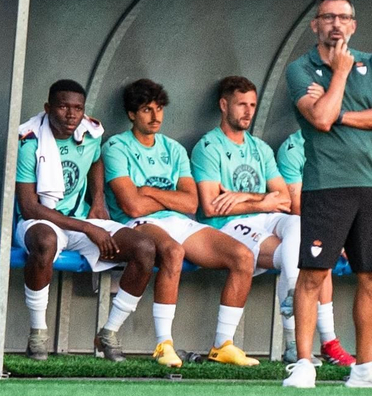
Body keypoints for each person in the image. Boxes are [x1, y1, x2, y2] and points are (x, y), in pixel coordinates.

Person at [281, 0, 372, 390]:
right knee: (314, 273)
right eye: (328, 17)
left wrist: (339, 111)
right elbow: (319, 120)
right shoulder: (299, 69)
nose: (336, 23)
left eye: (344, 17)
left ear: (353, 25)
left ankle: (365, 366)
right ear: (315, 25)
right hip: (326, 185)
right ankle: (305, 362)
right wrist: (339, 73)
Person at [105, 79, 259, 367]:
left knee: (242, 256)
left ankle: (222, 345)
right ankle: (164, 344)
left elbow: (191, 203)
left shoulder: (173, 149)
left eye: (159, 109)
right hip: (138, 223)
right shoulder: (116, 146)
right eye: (146, 110)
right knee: (173, 252)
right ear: (131, 114)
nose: (155, 117)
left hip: (178, 221)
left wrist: (149, 191)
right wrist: (166, 197)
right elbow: (132, 206)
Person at [14, 78, 159, 361]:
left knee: (145, 248)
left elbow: (96, 160)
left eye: (77, 108)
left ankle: (109, 333)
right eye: (63, 107)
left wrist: (99, 202)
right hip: (39, 221)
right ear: (48, 108)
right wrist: (87, 227)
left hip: (79, 221)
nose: (71, 115)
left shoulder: (90, 133)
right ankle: (38, 334)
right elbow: (29, 207)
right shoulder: (30, 140)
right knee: (45, 241)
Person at [189, 75, 314, 367]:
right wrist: (263, 198)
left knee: (299, 225)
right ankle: (292, 344)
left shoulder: (260, 148)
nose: (248, 111)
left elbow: (284, 200)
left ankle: (293, 295)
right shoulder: (208, 147)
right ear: (223, 105)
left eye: (253, 105)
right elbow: (210, 207)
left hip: (267, 217)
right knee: (291, 256)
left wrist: (244, 197)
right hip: (229, 227)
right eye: (241, 104)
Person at [272, 124, 354, 365]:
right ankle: (318, 343)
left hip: (328, 226)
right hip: (305, 226)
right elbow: (296, 205)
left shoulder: (344, 143)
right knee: (316, 255)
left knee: (318, 254)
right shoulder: (294, 147)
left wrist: (343, 232)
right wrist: (334, 233)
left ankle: (322, 344)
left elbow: (351, 196)